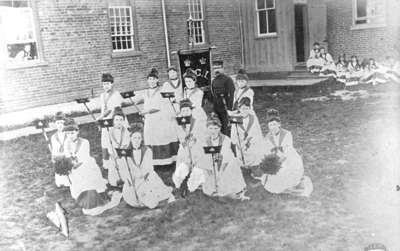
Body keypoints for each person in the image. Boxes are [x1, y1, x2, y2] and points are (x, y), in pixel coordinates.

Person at [63, 118, 121, 216]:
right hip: (74, 166)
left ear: (77, 132)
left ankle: (94, 199)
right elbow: (67, 155)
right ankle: (82, 199)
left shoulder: (85, 142)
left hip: (85, 165)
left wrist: (76, 164)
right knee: (76, 181)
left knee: (89, 180)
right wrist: (70, 164)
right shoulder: (66, 143)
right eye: (68, 134)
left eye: (72, 133)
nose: (70, 136)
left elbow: (84, 156)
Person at [255, 109, 313, 197]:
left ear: (279, 124)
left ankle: (290, 183)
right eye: (270, 125)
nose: (273, 127)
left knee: (286, 171)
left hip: (288, 158)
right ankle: (281, 184)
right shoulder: (267, 138)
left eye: (274, 124)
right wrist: (272, 161)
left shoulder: (287, 134)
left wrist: (279, 160)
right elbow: (267, 152)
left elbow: (288, 151)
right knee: (272, 176)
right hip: (275, 159)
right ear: (268, 126)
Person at [119, 122, 175, 208]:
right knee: (133, 196)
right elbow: (124, 168)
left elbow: (149, 167)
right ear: (130, 138)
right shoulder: (126, 152)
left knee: (149, 190)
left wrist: (142, 176)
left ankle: (151, 198)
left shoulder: (147, 150)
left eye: (139, 138)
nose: (137, 140)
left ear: (142, 139)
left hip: (146, 176)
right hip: (133, 178)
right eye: (134, 138)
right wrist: (129, 179)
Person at [132, 68, 179, 165]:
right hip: (149, 119)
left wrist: (146, 112)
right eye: (150, 79)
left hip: (159, 118)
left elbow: (158, 107)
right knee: (150, 137)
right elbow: (139, 99)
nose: (152, 81)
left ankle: (165, 160)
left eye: (154, 79)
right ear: (147, 80)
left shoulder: (161, 91)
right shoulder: (146, 92)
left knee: (160, 137)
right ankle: (153, 161)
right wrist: (131, 100)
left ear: (157, 80)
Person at [198, 114, 248, 200]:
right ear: (207, 128)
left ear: (220, 128)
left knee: (231, 165)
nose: (213, 131)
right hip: (210, 164)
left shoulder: (226, 139)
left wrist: (220, 171)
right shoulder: (204, 141)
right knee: (204, 170)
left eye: (215, 128)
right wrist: (209, 169)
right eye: (210, 128)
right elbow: (203, 157)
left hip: (224, 164)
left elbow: (226, 156)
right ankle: (213, 189)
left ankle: (229, 191)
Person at [172, 99, 207, 196]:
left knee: (198, 160)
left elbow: (201, 133)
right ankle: (182, 179)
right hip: (185, 146)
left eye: (187, 110)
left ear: (191, 110)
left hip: (196, 145)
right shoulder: (179, 122)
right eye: (183, 111)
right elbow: (179, 135)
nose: (185, 112)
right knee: (184, 161)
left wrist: (193, 140)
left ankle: (197, 179)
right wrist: (184, 143)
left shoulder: (197, 120)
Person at [98, 73, 126, 172]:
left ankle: (119, 162)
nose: (106, 86)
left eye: (108, 84)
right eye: (104, 84)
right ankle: (108, 163)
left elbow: (111, 109)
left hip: (114, 119)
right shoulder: (102, 95)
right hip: (105, 120)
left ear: (112, 84)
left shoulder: (116, 94)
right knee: (106, 141)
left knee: (115, 139)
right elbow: (103, 109)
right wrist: (101, 120)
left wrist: (101, 117)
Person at [230, 98, 265, 169]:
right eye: (243, 108)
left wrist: (251, 140)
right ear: (239, 108)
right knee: (241, 159)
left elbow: (257, 132)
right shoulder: (235, 119)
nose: (245, 111)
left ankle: (254, 168)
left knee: (254, 156)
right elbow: (233, 134)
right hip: (240, 143)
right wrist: (237, 141)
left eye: (247, 108)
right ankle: (244, 169)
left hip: (251, 142)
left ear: (249, 109)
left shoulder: (253, 118)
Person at [103, 107, 131, 187]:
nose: (119, 122)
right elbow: (108, 144)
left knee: (124, 165)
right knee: (114, 166)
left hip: (122, 153)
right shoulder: (109, 131)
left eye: (121, 120)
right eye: (117, 120)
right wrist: (112, 154)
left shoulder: (125, 131)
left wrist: (121, 152)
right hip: (113, 154)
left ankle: (125, 180)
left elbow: (126, 143)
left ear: (123, 121)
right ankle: (115, 181)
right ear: (113, 121)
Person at [210, 60, 235, 136]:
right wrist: (214, 110)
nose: (216, 70)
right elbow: (214, 96)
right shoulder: (213, 81)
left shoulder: (228, 80)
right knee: (218, 128)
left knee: (227, 129)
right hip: (217, 109)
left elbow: (232, 95)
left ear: (222, 69)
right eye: (214, 68)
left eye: (218, 68)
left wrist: (229, 109)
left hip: (226, 109)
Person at [51, 111, 70, 187]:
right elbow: (54, 149)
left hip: (68, 154)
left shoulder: (68, 134)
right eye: (58, 123)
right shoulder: (54, 137)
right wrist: (54, 157)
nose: (60, 125)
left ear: (65, 123)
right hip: (60, 155)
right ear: (55, 124)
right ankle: (62, 180)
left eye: (62, 123)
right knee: (59, 163)